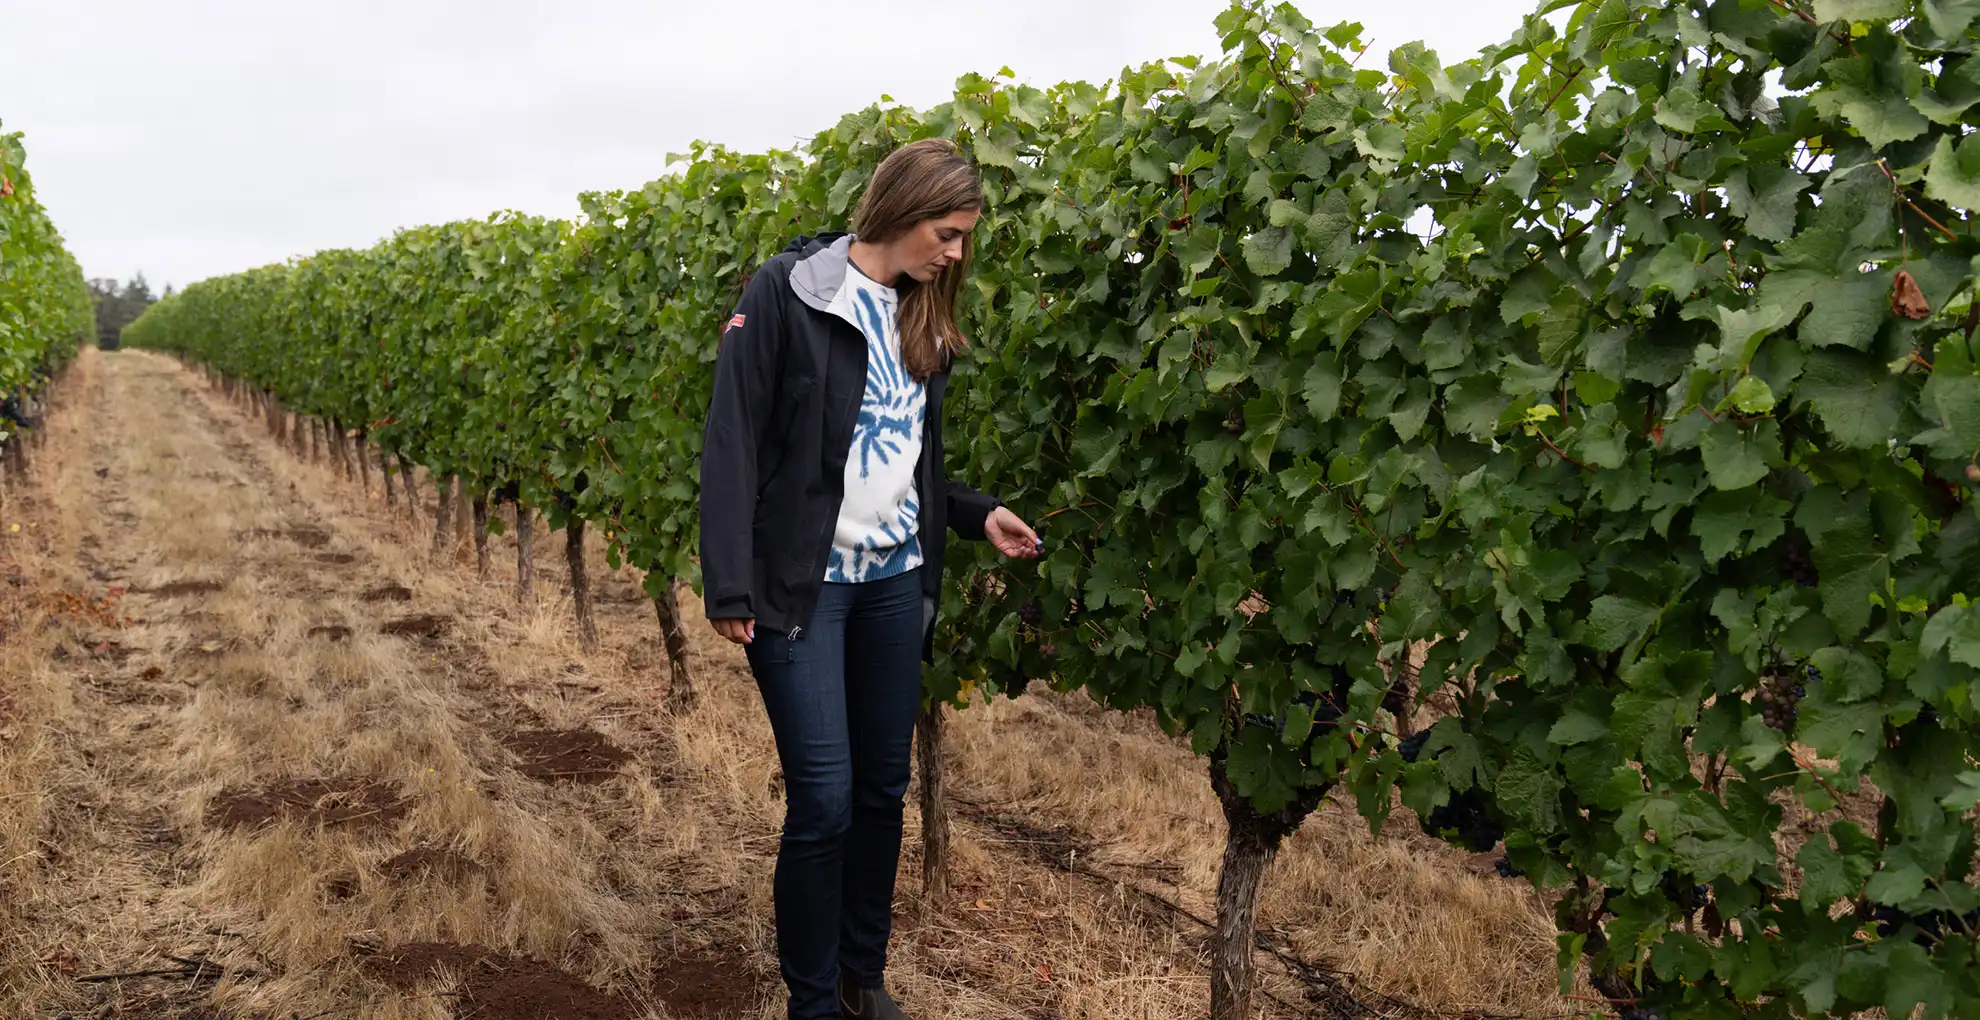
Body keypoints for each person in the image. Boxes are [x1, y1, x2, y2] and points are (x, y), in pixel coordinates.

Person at [698, 138, 1043, 1020]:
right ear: (901, 209)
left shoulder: (920, 318)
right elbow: (733, 438)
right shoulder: (789, 292)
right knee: (823, 800)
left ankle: (862, 979)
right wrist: (730, 584)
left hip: (896, 583)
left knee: (882, 792)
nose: (955, 253)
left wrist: (974, 513)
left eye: (965, 237)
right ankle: (810, 1001)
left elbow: (913, 458)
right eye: (948, 232)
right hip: (804, 589)